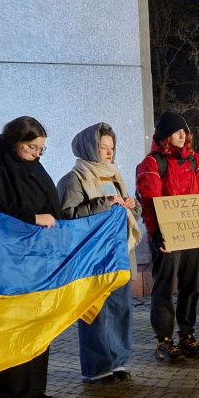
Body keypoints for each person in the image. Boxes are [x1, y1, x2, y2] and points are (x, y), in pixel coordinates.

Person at [0, 116, 60, 398]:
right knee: (12, 327)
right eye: (32, 148)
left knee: (38, 324)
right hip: (6, 263)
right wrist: (32, 218)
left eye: (41, 149)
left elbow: (53, 205)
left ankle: (34, 390)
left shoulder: (32, 165)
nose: (37, 154)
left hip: (36, 261)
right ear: (15, 143)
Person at [57, 123, 142, 383]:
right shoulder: (74, 178)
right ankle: (97, 367)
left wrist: (131, 205)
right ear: (88, 147)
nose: (108, 152)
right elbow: (68, 216)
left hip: (118, 253)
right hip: (93, 256)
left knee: (120, 308)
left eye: (111, 147)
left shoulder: (114, 175)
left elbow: (131, 216)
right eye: (102, 146)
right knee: (96, 310)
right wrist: (104, 204)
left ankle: (117, 361)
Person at [136, 111, 199, 362]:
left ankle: (187, 334)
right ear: (165, 135)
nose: (183, 135)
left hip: (193, 236)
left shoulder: (195, 161)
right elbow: (150, 201)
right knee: (165, 289)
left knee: (190, 287)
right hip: (168, 239)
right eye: (177, 131)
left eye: (185, 131)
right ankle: (164, 340)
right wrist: (157, 235)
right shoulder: (151, 163)